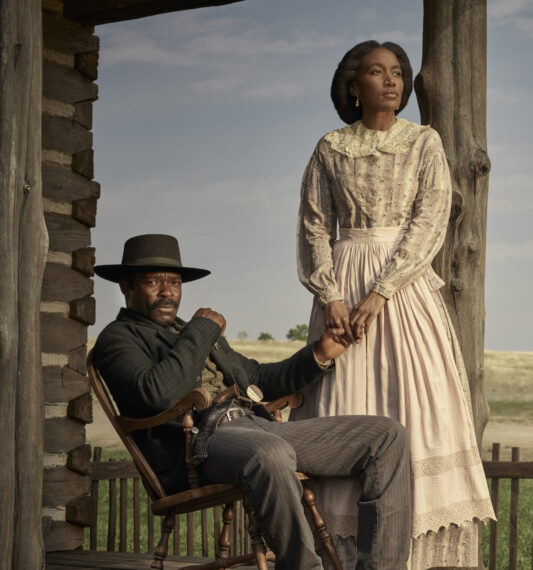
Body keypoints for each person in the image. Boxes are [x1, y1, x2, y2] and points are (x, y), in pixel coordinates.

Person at [92, 233, 411, 570]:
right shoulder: (117, 338)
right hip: (199, 446)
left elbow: (258, 378)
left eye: (174, 282)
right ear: (126, 287)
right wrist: (201, 330)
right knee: (271, 454)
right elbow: (154, 394)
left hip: (255, 428)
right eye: (153, 282)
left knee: (386, 436)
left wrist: (318, 354)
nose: (168, 291)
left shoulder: (191, 331)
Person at [293, 40, 495, 568]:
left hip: (402, 293)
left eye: (398, 73)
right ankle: (340, 550)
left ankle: (412, 553)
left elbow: (430, 219)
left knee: (416, 403)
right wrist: (330, 292)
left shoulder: (424, 142)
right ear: (353, 86)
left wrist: (383, 290)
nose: (391, 81)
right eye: (377, 72)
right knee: (342, 402)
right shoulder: (330, 147)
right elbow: (315, 223)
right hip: (341, 291)